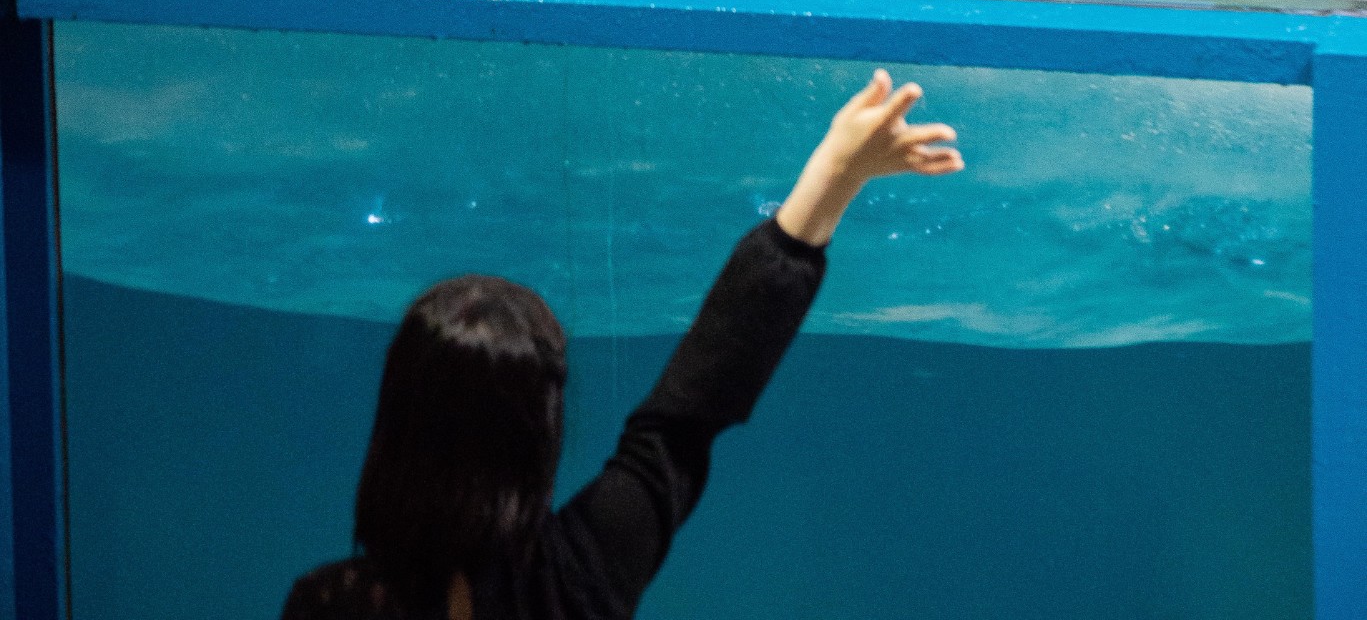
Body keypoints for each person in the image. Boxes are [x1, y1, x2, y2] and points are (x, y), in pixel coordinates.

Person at [281, 70, 963, 620]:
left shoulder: (330, 604)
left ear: (398, 422)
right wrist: (834, 176)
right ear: (538, 427)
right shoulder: (581, 574)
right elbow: (689, 410)